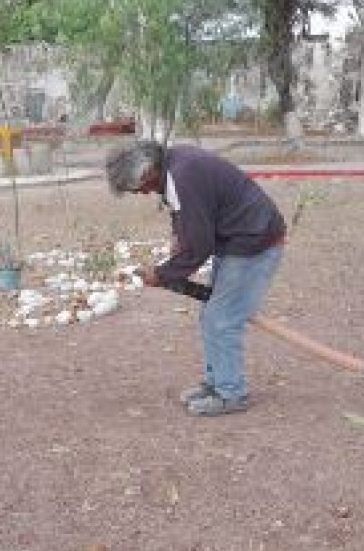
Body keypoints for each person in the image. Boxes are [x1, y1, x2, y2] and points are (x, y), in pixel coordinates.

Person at [105, 140, 286, 417]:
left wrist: (162, 274)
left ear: (146, 173)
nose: (142, 194)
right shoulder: (174, 166)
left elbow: (199, 247)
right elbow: (187, 217)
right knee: (211, 315)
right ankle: (216, 384)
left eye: (137, 188)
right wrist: (178, 239)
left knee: (222, 318)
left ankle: (231, 392)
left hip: (254, 242)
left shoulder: (182, 175)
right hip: (238, 239)